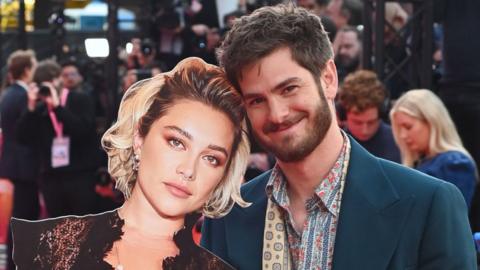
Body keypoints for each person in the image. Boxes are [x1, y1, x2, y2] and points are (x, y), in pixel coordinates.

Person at [201, 4, 476, 270]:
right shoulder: (227, 218)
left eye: (289, 89)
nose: (277, 114)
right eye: (257, 100)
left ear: (329, 78)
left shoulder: (428, 205)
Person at [10, 57, 250, 270]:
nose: (188, 170)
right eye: (176, 142)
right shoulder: (47, 247)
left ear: (224, 173)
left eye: (211, 159)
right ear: (139, 139)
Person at [16, 59, 100, 217]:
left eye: (50, 83)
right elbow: (22, 138)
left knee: (83, 227)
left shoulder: (80, 99)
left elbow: (82, 131)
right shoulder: (39, 109)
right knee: (58, 230)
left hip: (79, 175)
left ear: (58, 78)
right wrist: (31, 107)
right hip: (51, 178)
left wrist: (57, 108)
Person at [390, 89, 477, 209]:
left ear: (431, 121)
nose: (403, 135)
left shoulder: (454, 163)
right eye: (400, 129)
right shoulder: (421, 161)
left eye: (408, 127)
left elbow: (451, 218)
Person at [0, 49, 40, 270]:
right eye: (33, 67)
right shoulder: (22, 95)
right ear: (26, 70)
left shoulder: (8, 94)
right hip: (24, 164)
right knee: (24, 216)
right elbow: (25, 131)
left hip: (14, 163)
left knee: (20, 216)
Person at [339, 70, 401, 163]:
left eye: (371, 122)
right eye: (357, 122)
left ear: (381, 114)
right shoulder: (333, 144)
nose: (365, 130)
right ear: (343, 115)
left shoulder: (399, 141)